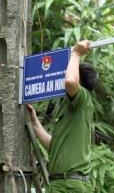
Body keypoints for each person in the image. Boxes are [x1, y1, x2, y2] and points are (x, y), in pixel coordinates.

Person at [27, 40, 98, 193]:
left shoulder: (83, 98)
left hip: (70, 185)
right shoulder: (68, 107)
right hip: (59, 184)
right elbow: (54, 147)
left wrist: (76, 54)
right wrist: (35, 122)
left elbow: (70, 81)